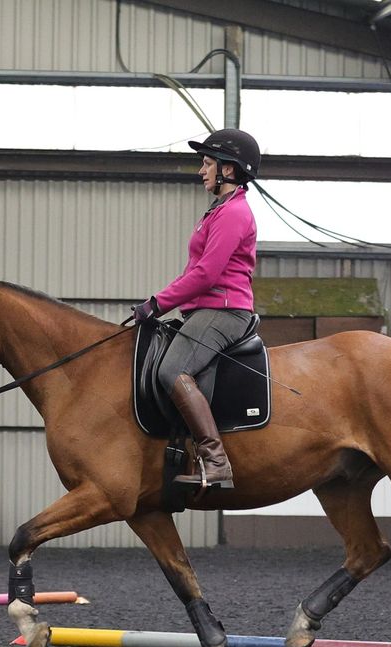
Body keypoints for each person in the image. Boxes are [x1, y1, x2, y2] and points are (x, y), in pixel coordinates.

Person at [132, 128, 261, 491]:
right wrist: (162, 303)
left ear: (229, 170)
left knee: (172, 370)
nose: (201, 171)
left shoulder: (234, 213)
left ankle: (216, 460)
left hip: (225, 310)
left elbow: (206, 274)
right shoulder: (217, 211)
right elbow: (194, 271)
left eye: (207, 164)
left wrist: (157, 302)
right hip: (204, 308)